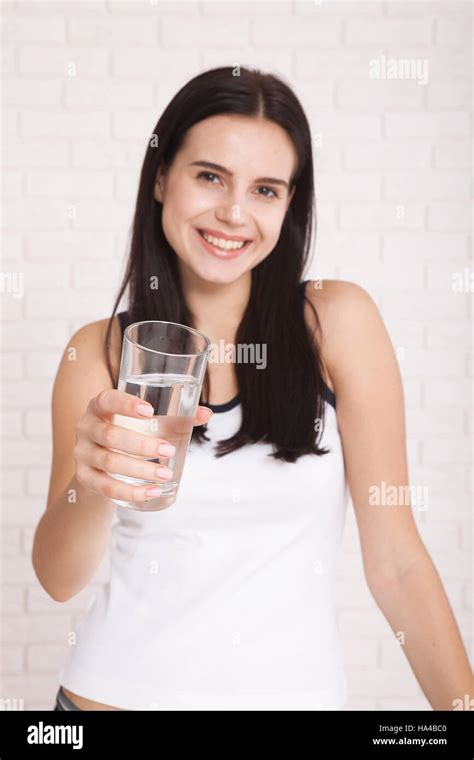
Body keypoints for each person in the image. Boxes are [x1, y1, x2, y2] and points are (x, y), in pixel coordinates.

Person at [33, 66, 472, 712]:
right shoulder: (97, 351)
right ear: (161, 178)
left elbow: (398, 564)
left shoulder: (338, 324)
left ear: (289, 204)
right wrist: (94, 483)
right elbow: (58, 578)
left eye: (265, 190)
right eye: (209, 176)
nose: (234, 213)